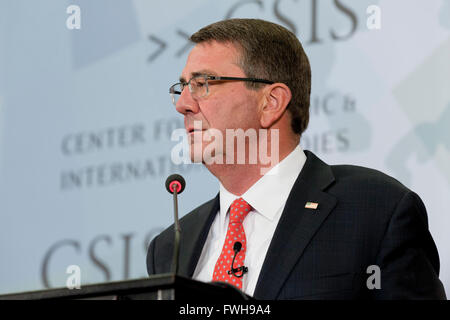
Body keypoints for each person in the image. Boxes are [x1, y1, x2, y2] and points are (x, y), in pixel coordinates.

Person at [146, 18, 446, 299]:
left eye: (203, 83)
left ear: (271, 102)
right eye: (183, 87)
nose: (183, 104)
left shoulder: (376, 209)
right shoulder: (170, 246)